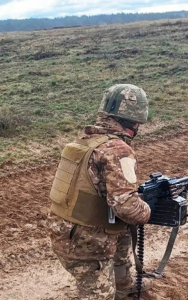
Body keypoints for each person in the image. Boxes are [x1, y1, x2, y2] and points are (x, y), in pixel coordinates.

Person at [47, 84, 152, 299]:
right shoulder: (117, 150)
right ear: (135, 120)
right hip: (86, 244)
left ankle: (124, 284)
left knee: (122, 232)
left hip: (65, 229)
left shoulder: (85, 141)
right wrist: (149, 209)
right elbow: (128, 209)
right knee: (97, 295)